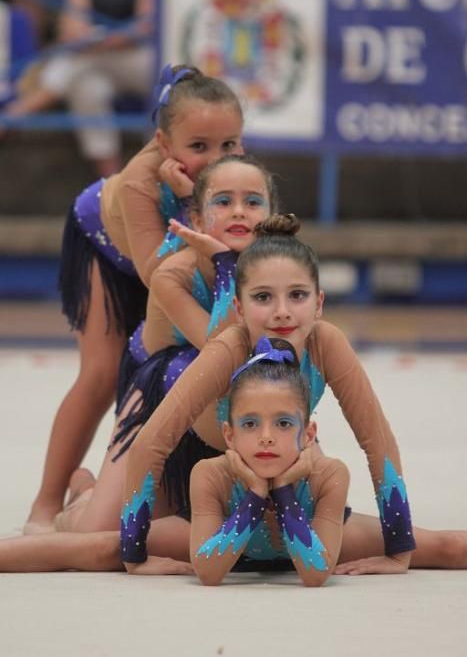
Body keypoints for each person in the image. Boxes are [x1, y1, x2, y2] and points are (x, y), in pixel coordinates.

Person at [120, 213, 457, 575]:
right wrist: (134, 555)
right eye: (263, 297)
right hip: (223, 491)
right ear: (239, 308)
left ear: (319, 302)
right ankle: (82, 497)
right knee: (94, 543)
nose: (282, 312)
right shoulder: (228, 349)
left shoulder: (325, 343)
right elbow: (151, 443)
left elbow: (377, 440)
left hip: (294, 490)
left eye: (297, 295)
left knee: (445, 547)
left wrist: (398, 551)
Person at [25, 63, 244, 534]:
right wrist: (191, 204)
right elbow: (157, 276)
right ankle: (45, 502)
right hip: (108, 245)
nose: (216, 158)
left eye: (229, 145)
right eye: (199, 147)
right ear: (166, 146)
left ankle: (100, 490)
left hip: (174, 258)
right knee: (102, 373)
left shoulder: (235, 174)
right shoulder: (140, 182)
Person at [48, 153, 276, 535]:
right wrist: (223, 264)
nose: (239, 212)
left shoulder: (282, 269)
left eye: (253, 202)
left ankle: (101, 490)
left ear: (271, 215)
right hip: (156, 396)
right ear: (198, 220)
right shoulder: (175, 272)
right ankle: (85, 495)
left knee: (201, 526)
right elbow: (221, 348)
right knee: (100, 534)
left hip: (225, 403)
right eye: (224, 202)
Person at [190, 339, 350, 587]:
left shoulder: (329, 475)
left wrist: (283, 488)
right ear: (229, 435)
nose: (266, 437)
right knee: (112, 549)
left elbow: (316, 574)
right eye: (250, 424)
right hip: (231, 549)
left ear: (308, 435)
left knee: (429, 547)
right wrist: (255, 493)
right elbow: (208, 574)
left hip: (317, 539)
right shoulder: (211, 474)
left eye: (283, 423)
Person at [1, 0, 154, 177]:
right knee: (86, 88)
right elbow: (71, 27)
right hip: (92, 59)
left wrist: (98, 41)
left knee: (74, 64)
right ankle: (112, 186)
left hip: (138, 57)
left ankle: (13, 115)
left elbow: (145, 26)